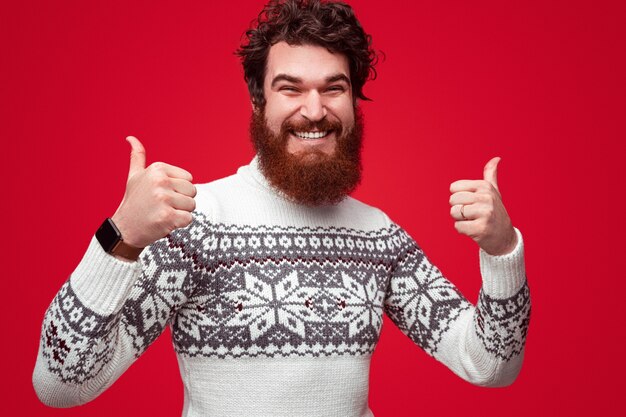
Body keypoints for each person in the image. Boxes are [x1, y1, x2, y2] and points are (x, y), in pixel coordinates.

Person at [33, 0, 531, 415]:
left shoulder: (378, 235)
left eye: (333, 88)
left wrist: (503, 249)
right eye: (290, 88)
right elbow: (62, 384)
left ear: (355, 103)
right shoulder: (193, 223)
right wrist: (120, 236)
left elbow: (490, 364)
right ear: (258, 102)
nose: (314, 111)